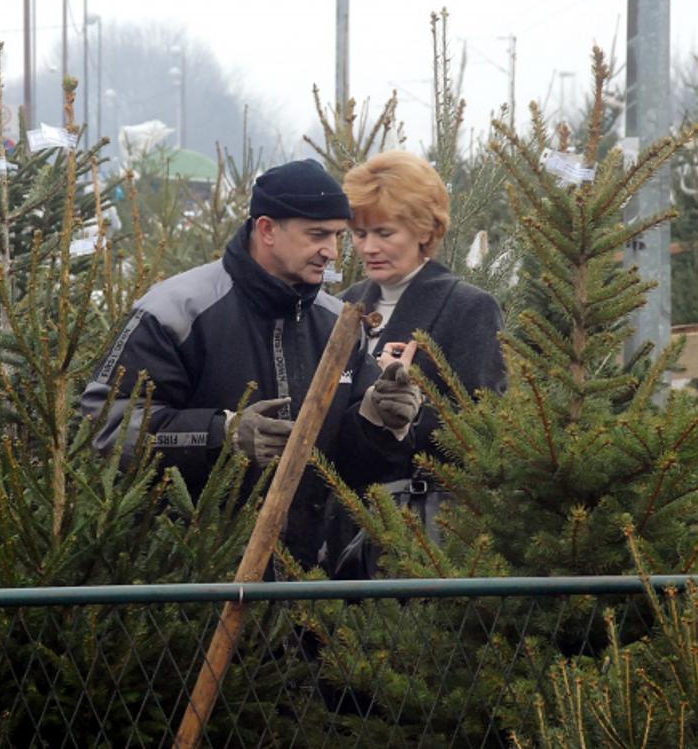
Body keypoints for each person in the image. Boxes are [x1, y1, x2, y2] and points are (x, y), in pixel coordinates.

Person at [80, 159, 418, 565]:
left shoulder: (341, 325)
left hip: (308, 579)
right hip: (189, 575)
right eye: (317, 235)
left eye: (337, 236)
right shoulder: (176, 311)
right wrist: (223, 434)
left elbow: (346, 465)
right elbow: (107, 427)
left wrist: (380, 419)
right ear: (267, 230)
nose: (332, 251)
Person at [326, 150, 506, 576]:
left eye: (384, 232)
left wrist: (409, 416)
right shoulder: (341, 306)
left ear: (424, 230)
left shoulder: (468, 307)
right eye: (359, 232)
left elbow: (486, 431)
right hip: (340, 531)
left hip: (422, 534)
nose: (368, 247)